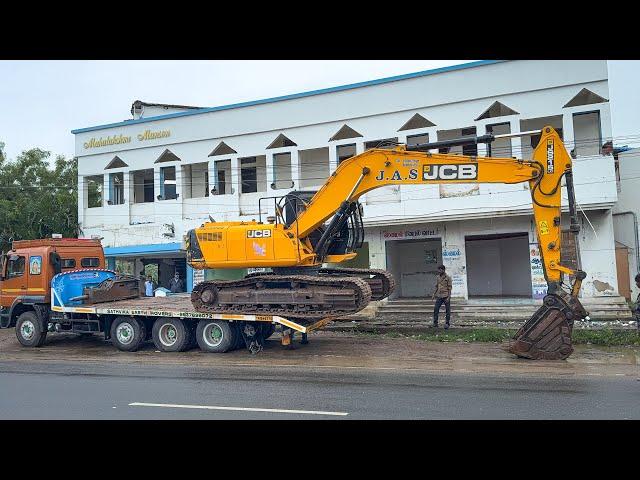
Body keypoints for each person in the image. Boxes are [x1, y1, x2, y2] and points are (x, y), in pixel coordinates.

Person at [431, 264, 452, 329]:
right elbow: (436, 286)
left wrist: (449, 297)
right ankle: (435, 323)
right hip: (439, 296)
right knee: (436, 309)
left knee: (447, 310)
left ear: (443, 270)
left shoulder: (448, 277)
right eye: (438, 270)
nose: (439, 271)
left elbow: (450, 288)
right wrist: (434, 294)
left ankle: (447, 323)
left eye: (440, 270)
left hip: (446, 296)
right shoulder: (437, 277)